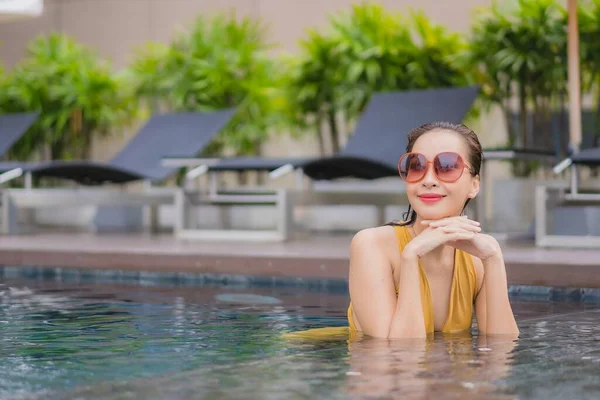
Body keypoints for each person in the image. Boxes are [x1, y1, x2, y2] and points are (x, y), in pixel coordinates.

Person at [347, 121, 519, 339]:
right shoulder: (371, 246)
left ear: (474, 185)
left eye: (447, 167)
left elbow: (501, 348)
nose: (428, 180)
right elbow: (397, 355)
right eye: (416, 166)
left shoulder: (477, 260)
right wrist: (410, 256)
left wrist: (494, 258)